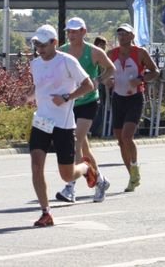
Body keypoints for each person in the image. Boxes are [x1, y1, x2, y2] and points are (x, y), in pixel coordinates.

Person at [28, 24, 99, 227]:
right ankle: (45, 212)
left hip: (63, 124)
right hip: (41, 121)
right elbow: (39, 86)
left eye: (43, 45)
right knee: (36, 166)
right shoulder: (36, 64)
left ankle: (85, 167)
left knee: (66, 174)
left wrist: (67, 97)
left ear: (54, 43)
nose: (39, 49)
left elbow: (88, 85)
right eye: (36, 45)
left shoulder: (67, 61)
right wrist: (28, 96)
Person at [55, 17, 114, 203]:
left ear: (83, 32)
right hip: (70, 104)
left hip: (88, 102)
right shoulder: (62, 52)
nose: (71, 35)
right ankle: (100, 181)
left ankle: (70, 187)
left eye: (75, 31)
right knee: (84, 150)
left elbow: (111, 69)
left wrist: (98, 80)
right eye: (69, 32)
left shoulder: (94, 52)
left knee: (75, 141)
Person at [107, 23, 159, 192]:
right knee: (120, 140)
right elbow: (105, 74)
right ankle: (132, 176)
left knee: (127, 136)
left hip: (135, 98)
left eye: (125, 34)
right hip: (117, 99)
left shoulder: (140, 53)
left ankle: (135, 165)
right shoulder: (111, 54)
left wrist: (142, 78)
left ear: (132, 36)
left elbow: (155, 71)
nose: (122, 37)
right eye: (120, 34)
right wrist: (107, 81)